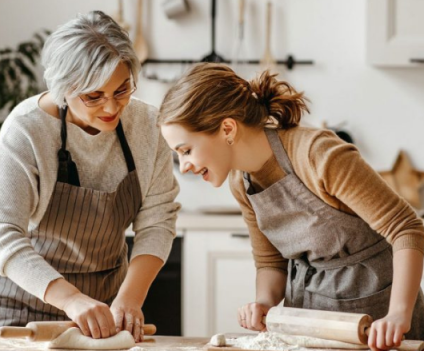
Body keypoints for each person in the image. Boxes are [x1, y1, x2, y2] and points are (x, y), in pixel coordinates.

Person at [158, 63, 424, 346]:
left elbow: (406, 228)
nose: (183, 166)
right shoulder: (240, 182)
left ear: (227, 128)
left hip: (375, 318)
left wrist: (398, 314)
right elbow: (270, 261)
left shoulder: (318, 156)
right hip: (306, 319)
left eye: (185, 151)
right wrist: (263, 302)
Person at [0, 11, 180, 342]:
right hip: (18, 307)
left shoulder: (146, 126)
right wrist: (70, 299)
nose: (112, 107)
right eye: (93, 96)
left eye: (122, 89)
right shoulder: (27, 128)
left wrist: (130, 299)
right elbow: (0, 229)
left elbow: (157, 220)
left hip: (103, 309)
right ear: (62, 89)